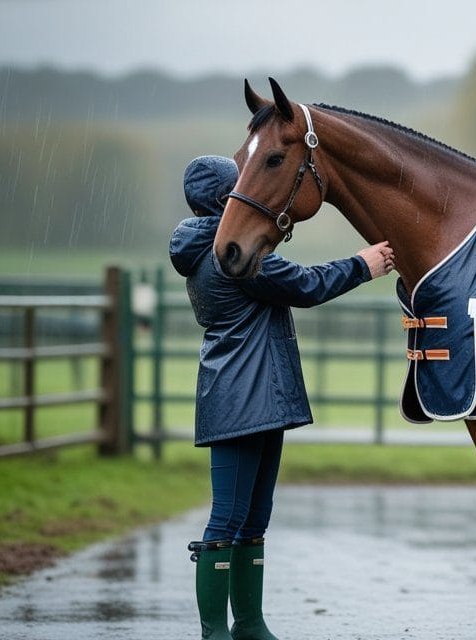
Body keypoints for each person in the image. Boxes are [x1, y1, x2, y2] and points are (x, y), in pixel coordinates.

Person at [169, 155, 394, 640]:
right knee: (227, 518)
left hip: (256, 398)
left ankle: (250, 624)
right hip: (239, 401)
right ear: (223, 199)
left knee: (253, 517)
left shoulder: (217, 248)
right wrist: (363, 264)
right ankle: (216, 633)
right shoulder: (232, 255)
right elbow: (305, 285)